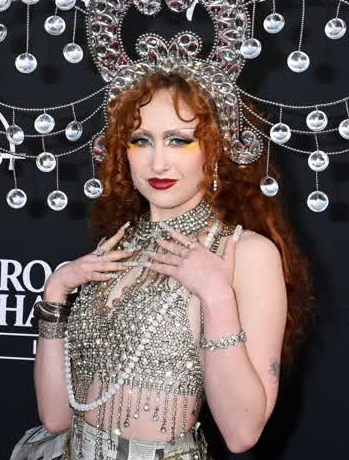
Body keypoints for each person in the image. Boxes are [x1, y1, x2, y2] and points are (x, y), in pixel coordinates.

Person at [24, 71, 315, 460]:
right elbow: (56, 417)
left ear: (215, 149)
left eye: (179, 140)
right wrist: (56, 292)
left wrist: (217, 297)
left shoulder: (244, 252)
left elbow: (241, 433)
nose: (157, 162)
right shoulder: (117, 245)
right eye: (141, 140)